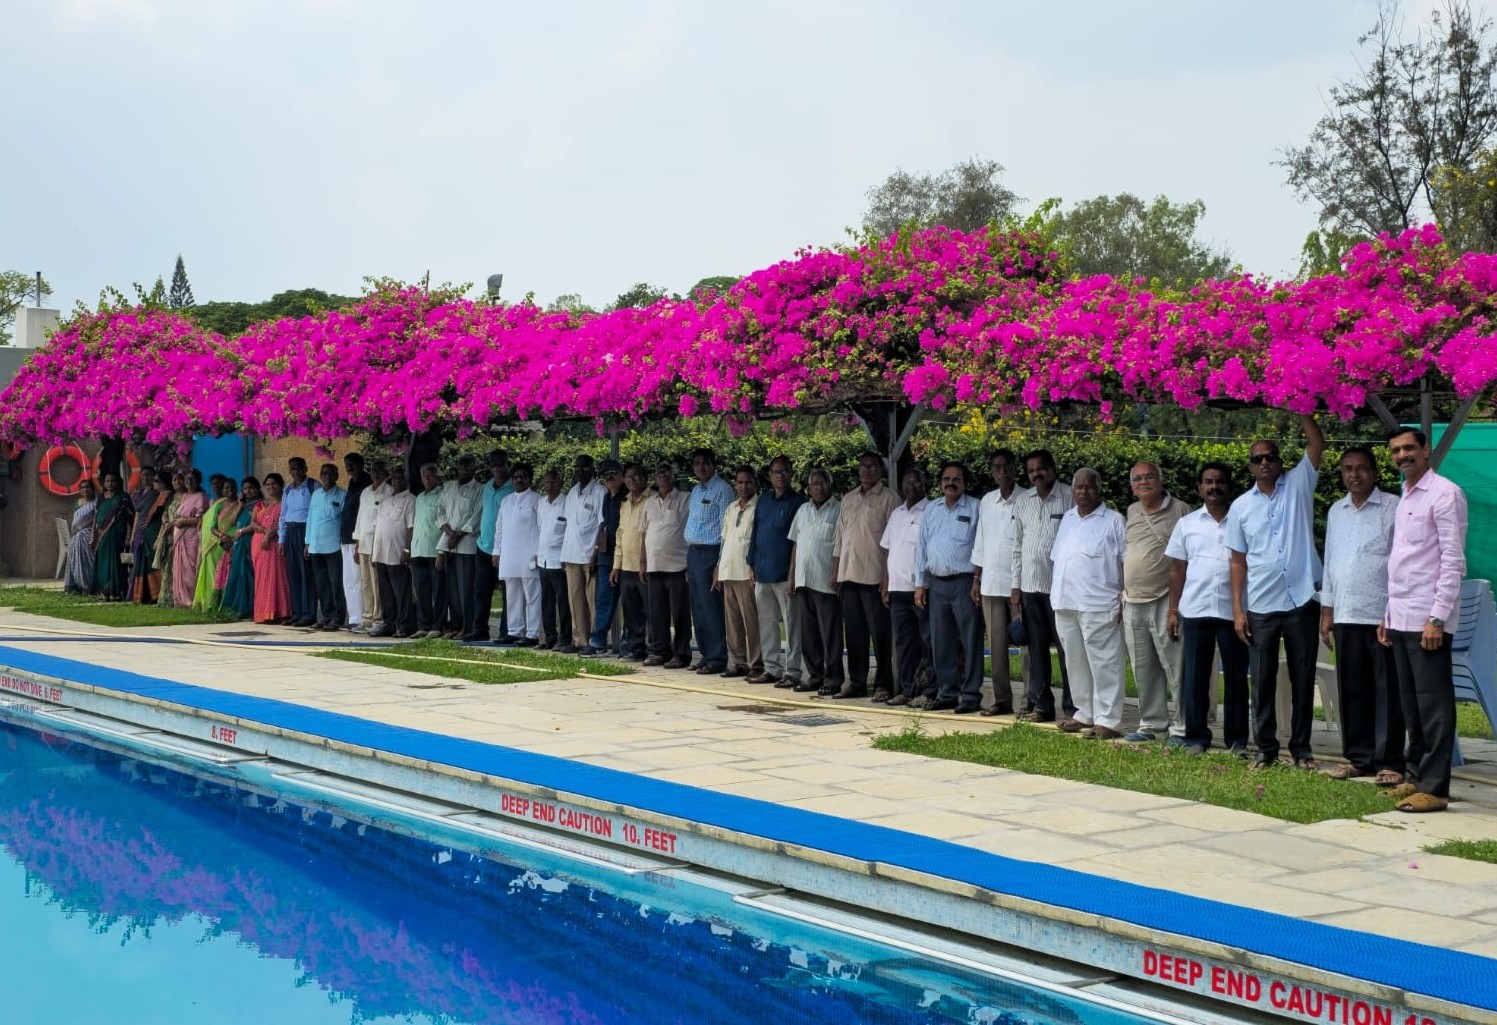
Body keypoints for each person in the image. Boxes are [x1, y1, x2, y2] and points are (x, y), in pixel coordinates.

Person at [1225, 414, 1325, 770]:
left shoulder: (1299, 484)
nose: (1264, 462)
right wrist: (1238, 611)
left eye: (1270, 457)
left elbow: (1317, 444)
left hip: (1301, 599)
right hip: (1262, 605)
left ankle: (1302, 749)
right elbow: (1238, 562)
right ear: (1250, 466)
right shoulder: (1240, 507)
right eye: (1258, 459)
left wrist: (1299, 408)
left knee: (1303, 678)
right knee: (1262, 680)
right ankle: (1266, 749)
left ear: (1281, 462)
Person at [1379, 428, 1468, 814]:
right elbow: (1403, 561)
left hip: (1427, 618)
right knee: (1411, 704)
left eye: (1408, 448)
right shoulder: (1406, 495)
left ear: (1425, 450)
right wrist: (1388, 614)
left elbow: (1452, 560)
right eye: (1396, 450)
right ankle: (1415, 776)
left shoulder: (1445, 494)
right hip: (1401, 616)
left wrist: (1437, 617)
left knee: (1433, 705)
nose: (1402, 455)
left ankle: (1435, 788)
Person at [1319, 446, 1403, 782]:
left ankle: (1389, 762)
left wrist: (1394, 610)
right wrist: (1327, 610)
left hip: (1382, 615)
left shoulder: (1393, 507)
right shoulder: (1336, 511)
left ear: (1374, 472)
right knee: (1353, 690)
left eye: (1361, 468)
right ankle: (1359, 758)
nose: (1355, 474)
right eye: (1348, 469)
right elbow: (1330, 562)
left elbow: (1401, 563)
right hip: (1346, 613)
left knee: (1386, 691)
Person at [1166, 463, 1248, 755]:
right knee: (1195, 678)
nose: (1214, 487)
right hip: (1196, 609)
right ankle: (1196, 737)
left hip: (1233, 612)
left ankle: (1237, 741)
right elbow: (1177, 570)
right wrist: (1172, 610)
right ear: (1200, 488)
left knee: (1236, 677)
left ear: (1229, 486)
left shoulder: (1242, 521)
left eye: (1220, 481)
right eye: (1208, 482)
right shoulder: (1187, 524)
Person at [1050, 468, 1128, 739]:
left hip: (1100, 603)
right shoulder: (1068, 518)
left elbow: (1126, 561)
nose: (1083, 492)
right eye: (1078, 487)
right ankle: (1084, 712)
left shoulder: (1114, 520)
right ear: (1072, 491)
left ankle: (1108, 720)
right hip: (1065, 601)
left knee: (1105, 664)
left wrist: (1123, 598)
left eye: (1088, 487)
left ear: (1099, 489)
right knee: (1075, 662)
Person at [1122, 461, 1188, 744]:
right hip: (1132, 600)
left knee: (1176, 667)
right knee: (1143, 667)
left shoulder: (1181, 510)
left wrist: (1176, 605)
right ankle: (1152, 725)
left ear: (1161, 481)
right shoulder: (1131, 511)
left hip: (1165, 599)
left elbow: (1186, 558)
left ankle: (1183, 726)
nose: (1144, 482)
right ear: (1132, 487)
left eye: (1150, 477)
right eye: (1137, 479)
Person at [1010, 449, 1077, 723]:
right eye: (1031, 471)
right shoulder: (1022, 501)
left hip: (1061, 589)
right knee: (1036, 650)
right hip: (1029, 588)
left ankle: (1073, 708)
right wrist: (1015, 588)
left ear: (1052, 468)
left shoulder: (1069, 496)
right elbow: (1017, 547)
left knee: (1067, 649)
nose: (1036, 474)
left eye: (1041, 469)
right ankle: (1042, 706)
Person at [913, 461, 983, 712]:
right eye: (946, 478)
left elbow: (981, 545)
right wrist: (919, 584)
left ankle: (971, 694)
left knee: (970, 640)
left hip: (965, 583)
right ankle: (947, 692)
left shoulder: (975, 507)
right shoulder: (932, 508)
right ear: (940, 482)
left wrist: (977, 579)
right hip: (937, 584)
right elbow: (921, 547)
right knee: (941, 641)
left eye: (956, 479)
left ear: (965, 483)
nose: (951, 483)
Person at [832, 452, 898, 700]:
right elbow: (839, 538)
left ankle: (883, 685)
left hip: (875, 578)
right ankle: (857, 682)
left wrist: (887, 578)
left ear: (881, 470)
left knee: (880, 635)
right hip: (849, 575)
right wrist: (836, 572)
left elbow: (893, 543)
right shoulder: (848, 498)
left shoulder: (890, 499)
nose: (867, 470)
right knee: (855, 635)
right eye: (863, 466)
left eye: (872, 466)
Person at [973, 449, 1028, 716]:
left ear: (1015, 468)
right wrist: (976, 577)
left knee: (1026, 645)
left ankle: (1030, 700)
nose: (1002, 471)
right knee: (996, 646)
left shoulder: (1027, 498)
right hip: (992, 582)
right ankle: (1001, 700)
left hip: (1022, 584)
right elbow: (980, 541)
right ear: (992, 471)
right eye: (997, 467)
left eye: (1007, 466)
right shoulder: (987, 501)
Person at [748, 455, 805, 688]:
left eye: (784, 471)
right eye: (775, 472)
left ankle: (793, 671)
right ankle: (771, 668)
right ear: (769, 475)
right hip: (762, 571)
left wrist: (793, 573)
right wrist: (751, 563)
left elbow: (798, 541)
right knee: (767, 623)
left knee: (792, 625)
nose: (780, 476)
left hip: (785, 574)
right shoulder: (763, 501)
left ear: (791, 474)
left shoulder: (798, 503)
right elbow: (755, 533)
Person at [789, 467, 844, 695]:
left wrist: (836, 574)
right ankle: (815, 676)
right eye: (814, 484)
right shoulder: (803, 510)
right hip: (803, 580)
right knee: (808, 633)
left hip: (826, 581)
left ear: (830, 485)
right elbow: (796, 543)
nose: (818, 488)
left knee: (830, 634)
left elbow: (841, 545)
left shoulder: (839, 509)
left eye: (822, 483)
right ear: (809, 488)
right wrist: (791, 576)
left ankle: (833, 679)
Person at [881, 466, 931, 708]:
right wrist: (885, 584)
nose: (912, 487)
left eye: (917, 482)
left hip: (921, 589)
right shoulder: (897, 513)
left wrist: (923, 585)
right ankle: (906, 689)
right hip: (897, 588)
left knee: (927, 643)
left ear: (925, 484)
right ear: (901, 486)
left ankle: (927, 690)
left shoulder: (931, 511)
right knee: (904, 644)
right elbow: (887, 550)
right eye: (907, 482)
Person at [684, 448, 735, 674]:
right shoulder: (695, 491)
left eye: (705, 462)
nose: (701, 467)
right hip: (694, 553)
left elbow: (726, 530)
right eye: (696, 463)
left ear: (714, 464)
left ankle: (717, 657)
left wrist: (719, 565)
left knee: (711, 607)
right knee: (698, 608)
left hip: (711, 553)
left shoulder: (723, 490)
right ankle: (705, 654)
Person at [640, 461, 692, 668]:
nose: (662, 475)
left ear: (674, 475)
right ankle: (660, 652)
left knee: (680, 614)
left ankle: (681, 654)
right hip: (654, 566)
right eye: (659, 471)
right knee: (657, 613)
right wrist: (642, 562)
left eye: (667, 471)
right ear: (654, 476)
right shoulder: (649, 502)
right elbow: (643, 534)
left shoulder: (685, 499)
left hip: (678, 566)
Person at [714, 465, 761, 678]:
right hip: (728, 570)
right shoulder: (731, 508)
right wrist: (718, 567)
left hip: (746, 572)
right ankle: (738, 663)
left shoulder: (759, 507)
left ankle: (756, 664)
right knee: (732, 623)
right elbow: (724, 540)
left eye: (748, 482)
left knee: (751, 621)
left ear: (755, 483)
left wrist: (754, 566)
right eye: (740, 482)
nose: (744, 486)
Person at [561, 454, 606, 654]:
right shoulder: (571, 493)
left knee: (592, 600)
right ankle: (580, 640)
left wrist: (596, 553)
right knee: (575, 599)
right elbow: (568, 525)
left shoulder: (600, 492)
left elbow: (603, 525)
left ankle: (595, 642)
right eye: (578, 467)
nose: (580, 471)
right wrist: (563, 555)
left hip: (589, 555)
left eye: (585, 467)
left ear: (592, 469)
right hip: (571, 554)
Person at [494, 462, 543, 645]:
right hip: (509, 554)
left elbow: (542, 528)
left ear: (530, 479)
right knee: (512, 594)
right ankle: (514, 631)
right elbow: (499, 529)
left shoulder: (537, 500)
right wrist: (496, 551)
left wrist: (539, 553)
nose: (519, 480)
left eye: (523, 476)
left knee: (532, 594)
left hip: (530, 554)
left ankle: (533, 633)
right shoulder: (506, 501)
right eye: (516, 477)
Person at [438, 455, 483, 640]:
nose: (464, 468)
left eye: (468, 465)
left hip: (466, 545)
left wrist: (458, 535)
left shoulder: (479, 489)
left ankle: (468, 627)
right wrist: (449, 532)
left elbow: (476, 516)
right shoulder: (448, 487)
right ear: (457, 467)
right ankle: (455, 626)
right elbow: (440, 511)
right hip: (448, 543)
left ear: (474, 468)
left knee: (466, 589)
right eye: (462, 464)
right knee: (453, 590)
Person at [370, 465, 417, 637]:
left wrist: (407, 549)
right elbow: (378, 527)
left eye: (401, 478)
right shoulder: (385, 500)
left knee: (401, 591)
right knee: (385, 592)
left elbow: (411, 527)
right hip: (381, 552)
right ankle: (389, 624)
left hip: (398, 552)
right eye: (395, 478)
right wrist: (374, 552)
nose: (398, 481)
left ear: (407, 480)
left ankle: (405, 625)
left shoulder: (410, 500)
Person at [610, 463, 650, 661]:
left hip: (647, 566)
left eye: (636, 476)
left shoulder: (652, 500)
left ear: (645, 478)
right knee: (631, 611)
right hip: (627, 565)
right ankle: (636, 649)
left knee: (651, 610)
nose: (632, 480)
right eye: (628, 476)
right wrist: (616, 565)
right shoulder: (624, 502)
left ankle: (656, 649)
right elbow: (620, 534)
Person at [474, 449, 512, 642]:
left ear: (507, 466)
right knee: (481, 591)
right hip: (484, 546)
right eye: (493, 464)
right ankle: (480, 630)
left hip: (505, 549)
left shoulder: (513, 487)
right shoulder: (487, 486)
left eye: (500, 464)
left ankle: (507, 631)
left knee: (507, 594)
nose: (497, 468)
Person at [306, 463, 348, 631]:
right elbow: (310, 519)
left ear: (336, 476)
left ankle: (338, 617)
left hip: (334, 547)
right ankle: (326, 615)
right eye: (324, 473)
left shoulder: (342, 495)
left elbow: (345, 522)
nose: (327, 476)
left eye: (330, 473)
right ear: (320, 476)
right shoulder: (316, 494)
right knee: (321, 584)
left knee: (336, 583)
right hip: (316, 547)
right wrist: (307, 542)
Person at [351, 460, 392, 634]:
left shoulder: (389, 491)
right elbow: (360, 517)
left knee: (377, 584)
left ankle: (378, 619)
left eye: (379, 471)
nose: (376, 474)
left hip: (378, 543)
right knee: (366, 582)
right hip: (364, 543)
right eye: (374, 470)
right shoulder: (366, 491)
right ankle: (367, 618)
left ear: (386, 474)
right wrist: (357, 542)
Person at [589, 458, 625, 655]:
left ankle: (629, 642)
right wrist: (595, 552)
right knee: (603, 600)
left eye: (613, 473)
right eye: (605, 475)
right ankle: (598, 640)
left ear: (621, 474)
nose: (609, 478)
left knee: (629, 602)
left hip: (624, 557)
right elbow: (603, 526)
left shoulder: (627, 496)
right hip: (605, 556)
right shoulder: (606, 497)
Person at [411, 463, 449, 639]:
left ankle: (438, 625)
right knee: (422, 591)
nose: (427, 479)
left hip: (434, 550)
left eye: (430, 476)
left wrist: (441, 551)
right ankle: (423, 625)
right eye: (424, 476)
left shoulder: (443, 495)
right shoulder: (419, 497)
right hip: (418, 550)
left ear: (437, 477)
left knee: (438, 590)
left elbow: (446, 524)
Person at [280, 457, 319, 627]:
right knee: (294, 573)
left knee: (307, 574)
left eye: (298, 468)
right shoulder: (288, 489)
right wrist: (282, 539)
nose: (295, 472)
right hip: (291, 531)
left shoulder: (313, 486)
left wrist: (310, 540)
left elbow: (316, 513)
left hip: (305, 531)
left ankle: (309, 613)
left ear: (305, 468)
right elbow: (283, 515)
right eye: (292, 469)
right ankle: (296, 612)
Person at [536, 469, 572, 650]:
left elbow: (569, 530)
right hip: (543, 559)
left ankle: (565, 638)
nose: (550, 486)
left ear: (561, 483)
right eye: (547, 482)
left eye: (554, 482)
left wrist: (565, 555)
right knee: (546, 601)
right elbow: (540, 528)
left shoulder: (566, 502)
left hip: (559, 559)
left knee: (563, 601)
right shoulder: (541, 503)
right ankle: (550, 637)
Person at [251, 472, 293, 624]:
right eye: (268, 484)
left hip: (275, 543)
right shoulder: (261, 504)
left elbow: (284, 523)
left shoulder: (285, 503)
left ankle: (279, 612)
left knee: (277, 577)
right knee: (262, 579)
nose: (270, 487)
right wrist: (264, 532)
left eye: (274, 484)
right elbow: (253, 522)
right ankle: (263, 612)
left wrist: (269, 535)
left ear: (281, 486)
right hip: (259, 544)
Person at [194, 476, 239, 611]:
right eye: (226, 488)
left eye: (232, 487)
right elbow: (212, 526)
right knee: (217, 572)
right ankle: (212, 602)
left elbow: (237, 522)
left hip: (234, 541)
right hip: (219, 542)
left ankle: (228, 604)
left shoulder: (240, 503)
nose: (229, 490)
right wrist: (222, 536)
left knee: (229, 573)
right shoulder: (218, 504)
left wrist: (231, 538)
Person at [220, 477, 261, 619]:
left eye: (251, 488)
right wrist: (239, 505)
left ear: (257, 489)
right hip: (239, 542)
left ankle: (249, 608)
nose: (248, 491)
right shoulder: (244, 505)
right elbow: (231, 522)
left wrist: (241, 531)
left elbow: (256, 523)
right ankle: (236, 607)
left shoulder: (260, 504)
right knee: (237, 573)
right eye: (245, 488)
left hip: (250, 540)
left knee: (248, 574)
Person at [340, 452, 372, 631]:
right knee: (349, 581)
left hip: (357, 538)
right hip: (345, 537)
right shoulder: (352, 482)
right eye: (347, 464)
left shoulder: (366, 483)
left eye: (352, 463)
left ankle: (362, 619)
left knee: (359, 580)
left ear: (361, 464)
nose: (349, 467)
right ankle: (353, 617)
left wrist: (358, 539)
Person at [130, 471, 173, 604]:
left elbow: (160, 514)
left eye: (156, 481)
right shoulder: (160, 495)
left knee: (156, 563)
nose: (153, 483)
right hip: (148, 534)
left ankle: (157, 594)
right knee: (149, 563)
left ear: (164, 483)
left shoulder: (166, 495)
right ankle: (150, 594)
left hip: (156, 533)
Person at [91, 473, 134, 601]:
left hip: (117, 535)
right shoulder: (100, 498)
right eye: (107, 481)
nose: (110, 484)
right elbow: (96, 518)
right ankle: (102, 591)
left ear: (118, 482)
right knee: (102, 563)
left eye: (113, 481)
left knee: (116, 563)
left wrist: (128, 536)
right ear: (104, 483)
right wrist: (93, 536)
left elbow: (129, 518)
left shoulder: (123, 498)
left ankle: (116, 592)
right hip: (101, 536)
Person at [170, 471, 209, 608]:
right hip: (179, 536)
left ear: (198, 481)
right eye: (187, 479)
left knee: (190, 567)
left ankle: (191, 599)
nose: (189, 482)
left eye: (192, 479)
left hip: (191, 536)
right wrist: (177, 520)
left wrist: (184, 521)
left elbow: (201, 519)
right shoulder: (185, 496)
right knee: (180, 568)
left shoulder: (201, 497)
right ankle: (180, 600)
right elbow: (178, 514)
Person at [124, 466, 159, 600]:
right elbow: (137, 515)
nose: (145, 478)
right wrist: (132, 535)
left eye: (149, 475)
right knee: (137, 560)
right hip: (139, 530)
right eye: (143, 475)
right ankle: (136, 592)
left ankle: (151, 593)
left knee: (149, 560)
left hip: (150, 530)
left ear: (153, 476)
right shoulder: (138, 494)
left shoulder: (157, 493)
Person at [154, 471, 188, 607]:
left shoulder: (188, 497)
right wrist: (166, 523)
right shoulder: (172, 497)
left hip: (181, 533)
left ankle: (179, 597)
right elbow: (165, 513)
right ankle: (166, 598)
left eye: (180, 479)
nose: (177, 482)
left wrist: (172, 524)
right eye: (174, 480)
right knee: (167, 565)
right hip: (168, 533)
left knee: (178, 566)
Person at [62, 479, 99, 595]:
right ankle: (77, 585)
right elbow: (75, 521)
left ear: (92, 489)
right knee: (74, 553)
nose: (85, 489)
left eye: (88, 487)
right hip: (75, 535)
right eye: (82, 488)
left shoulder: (96, 502)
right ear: (79, 490)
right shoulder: (77, 503)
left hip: (88, 533)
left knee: (88, 559)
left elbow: (96, 520)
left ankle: (88, 585)